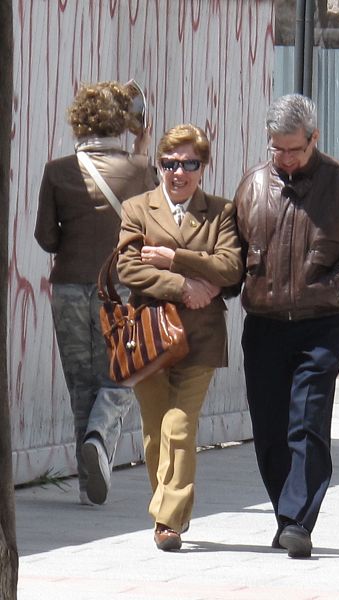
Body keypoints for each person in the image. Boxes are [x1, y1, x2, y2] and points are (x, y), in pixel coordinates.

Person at [233, 93, 339, 558]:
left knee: (307, 422)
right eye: (277, 149)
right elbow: (231, 254)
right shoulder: (251, 186)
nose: (286, 159)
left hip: (321, 323)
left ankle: (298, 521)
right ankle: (286, 513)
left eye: (295, 149)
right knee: (270, 428)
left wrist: (336, 283)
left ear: (315, 138)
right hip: (264, 324)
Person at [116, 124, 243, 551]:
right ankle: (169, 509)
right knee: (154, 432)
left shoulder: (221, 211)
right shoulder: (137, 208)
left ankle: (167, 520)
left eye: (189, 164)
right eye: (170, 164)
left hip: (201, 337)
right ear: (160, 166)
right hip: (149, 336)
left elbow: (229, 268)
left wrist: (174, 257)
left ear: (203, 168)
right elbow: (129, 269)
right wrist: (184, 285)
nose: (179, 173)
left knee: (179, 426)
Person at [35, 80, 157, 506]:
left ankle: (90, 487)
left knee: (81, 386)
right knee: (123, 374)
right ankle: (101, 436)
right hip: (119, 289)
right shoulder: (141, 170)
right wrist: (143, 145)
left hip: (68, 288)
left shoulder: (57, 171)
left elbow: (46, 238)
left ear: (78, 122)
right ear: (122, 124)